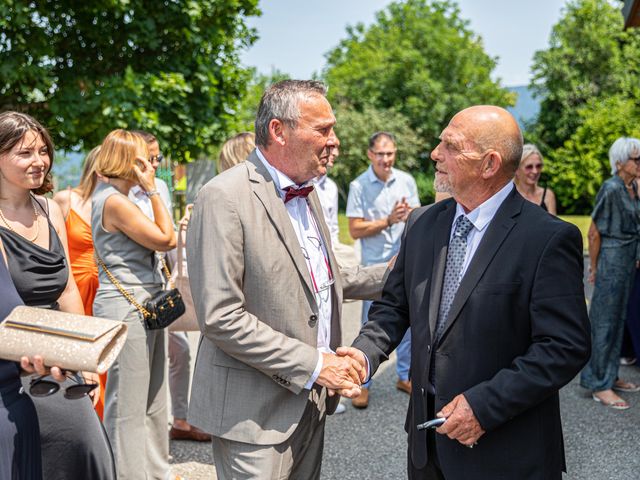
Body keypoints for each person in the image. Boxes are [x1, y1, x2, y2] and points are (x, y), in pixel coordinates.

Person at [339, 106, 591, 479]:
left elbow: (564, 347)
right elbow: (394, 307)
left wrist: (483, 406)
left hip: (505, 452)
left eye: (450, 146)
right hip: (427, 451)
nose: (435, 153)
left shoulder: (548, 239)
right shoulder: (422, 224)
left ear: (489, 164)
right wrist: (363, 355)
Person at [186, 79, 387, 479]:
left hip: (310, 403)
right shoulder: (223, 196)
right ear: (279, 131)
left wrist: (406, 267)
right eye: (324, 129)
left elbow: (326, 277)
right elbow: (221, 317)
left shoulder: (307, 192)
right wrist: (315, 365)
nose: (335, 142)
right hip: (254, 415)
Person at [0, 111, 115, 479]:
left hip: (56, 358)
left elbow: (66, 287)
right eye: (25, 153)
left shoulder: (49, 208)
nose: (40, 161)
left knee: (87, 444)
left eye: (43, 151)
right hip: (11, 364)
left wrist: (85, 357)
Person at [92, 129, 176, 479]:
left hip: (144, 301)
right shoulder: (113, 200)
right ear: (129, 161)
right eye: (145, 159)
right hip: (125, 306)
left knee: (155, 400)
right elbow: (165, 237)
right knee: (126, 404)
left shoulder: (117, 196)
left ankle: (155, 472)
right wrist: (154, 188)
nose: (152, 165)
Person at [127, 129, 211, 443]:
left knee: (179, 350)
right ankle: (146, 429)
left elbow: (169, 235)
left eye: (157, 158)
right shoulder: (119, 193)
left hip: (161, 277)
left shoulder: (160, 185)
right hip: (134, 286)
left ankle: (180, 420)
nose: (155, 164)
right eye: (149, 158)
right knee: (147, 357)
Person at [346, 131, 420, 408]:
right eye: (380, 154)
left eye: (390, 154)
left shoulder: (406, 181)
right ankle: (363, 384)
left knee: (408, 323)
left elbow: (415, 216)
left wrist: (408, 215)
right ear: (370, 155)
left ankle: (404, 376)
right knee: (371, 324)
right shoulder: (359, 186)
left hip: (403, 262)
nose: (386, 159)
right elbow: (354, 229)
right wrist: (388, 220)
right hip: (374, 269)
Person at [581, 137, 640, 409]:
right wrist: (594, 267)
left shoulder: (632, 188)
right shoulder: (611, 187)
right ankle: (598, 384)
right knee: (604, 322)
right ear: (619, 162)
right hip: (612, 260)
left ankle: (610, 375)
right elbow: (594, 233)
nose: (639, 163)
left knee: (617, 321)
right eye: (635, 159)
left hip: (627, 260)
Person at [53, 145, 106, 418]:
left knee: (104, 362)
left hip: (103, 288)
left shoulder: (115, 204)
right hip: (75, 285)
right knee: (78, 353)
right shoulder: (65, 199)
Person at [514, 143, 557, 214]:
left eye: (538, 166)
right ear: (517, 170)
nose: (535, 171)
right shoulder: (509, 196)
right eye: (529, 167)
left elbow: (554, 224)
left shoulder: (548, 195)